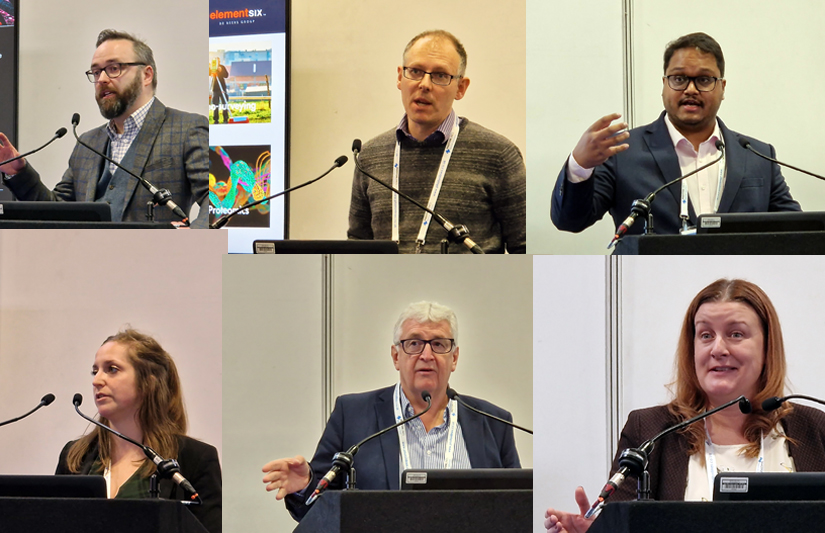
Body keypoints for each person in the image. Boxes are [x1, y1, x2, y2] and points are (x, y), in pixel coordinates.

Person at [544, 279, 825, 533]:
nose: (718, 349)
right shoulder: (650, 432)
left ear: (767, 347)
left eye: (736, 334)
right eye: (705, 335)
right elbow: (620, 524)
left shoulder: (816, 429)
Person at [262, 301, 521, 522]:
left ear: (454, 358)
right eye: (414, 343)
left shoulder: (494, 423)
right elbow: (319, 508)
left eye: (439, 344)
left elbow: (517, 510)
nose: (427, 355)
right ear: (396, 356)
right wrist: (306, 484)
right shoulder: (352, 414)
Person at [551, 32, 800, 236]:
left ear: (722, 87)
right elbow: (570, 221)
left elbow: (797, 232)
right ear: (664, 84)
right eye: (679, 79)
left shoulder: (757, 156)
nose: (690, 89)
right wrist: (580, 166)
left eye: (704, 80)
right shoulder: (622, 152)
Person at [0, 29, 209, 228]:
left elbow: (219, 201)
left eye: (114, 68)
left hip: (158, 261)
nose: (101, 79)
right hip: (88, 262)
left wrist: (193, 238)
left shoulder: (187, 129)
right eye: (96, 71)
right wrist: (17, 172)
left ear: (146, 75)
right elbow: (58, 211)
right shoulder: (87, 143)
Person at [347, 30, 526, 254]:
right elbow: (357, 246)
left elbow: (525, 247)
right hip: (389, 286)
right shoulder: (370, 156)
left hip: (471, 287)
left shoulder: (499, 155)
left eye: (440, 75)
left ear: (461, 87)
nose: (424, 84)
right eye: (415, 71)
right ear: (400, 77)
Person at [55, 329, 222, 533]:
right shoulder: (75, 457)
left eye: (112, 369)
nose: (96, 380)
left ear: (149, 382)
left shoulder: (195, 459)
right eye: (95, 371)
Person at [210, 57, 230, 124]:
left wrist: (221, 71)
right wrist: (211, 70)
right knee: (215, 105)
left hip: (222, 88)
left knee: (224, 104)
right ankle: (216, 119)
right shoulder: (212, 67)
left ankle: (225, 118)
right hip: (215, 89)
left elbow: (226, 75)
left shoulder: (222, 67)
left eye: (218, 61)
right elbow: (209, 73)